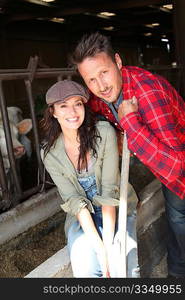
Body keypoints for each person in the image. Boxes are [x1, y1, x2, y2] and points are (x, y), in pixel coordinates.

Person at [71, 32, 185, 278]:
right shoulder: (103, 94)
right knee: (176, 219)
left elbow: (175, 168)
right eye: (91, 80)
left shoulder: (147, 94)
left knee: (180, 220)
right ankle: (177, 274)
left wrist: (130, 124)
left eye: (104, 72)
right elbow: (94, 109)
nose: (101, 86)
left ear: (118, 62)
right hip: (165, 171)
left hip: (178, 170)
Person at [40, 79, 138, 278]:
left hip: (116, 206)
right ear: (53, 111)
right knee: (86, 267)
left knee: (123, 263)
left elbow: (110, 189)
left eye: (77, 103)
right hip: (83, 215)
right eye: (63, 106)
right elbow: (74, 200)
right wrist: (100, 250)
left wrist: (109, 247)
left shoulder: (104, 134)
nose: (72, 112)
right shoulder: (50, 153)